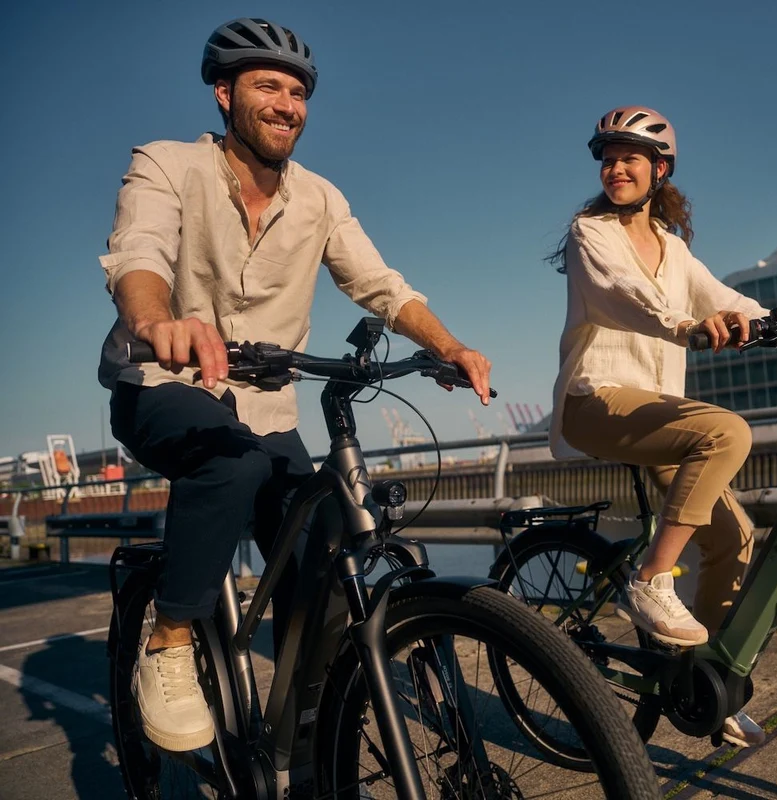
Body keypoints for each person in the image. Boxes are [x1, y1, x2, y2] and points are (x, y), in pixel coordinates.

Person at [97, 18, 491, 752]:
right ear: (224, 94)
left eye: (299, 92)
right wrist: (159, 321)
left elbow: (378, 284)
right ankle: (171, 640)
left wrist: (448, 345)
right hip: (162, 382)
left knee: (321, 559)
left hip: (270, 407)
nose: (288, 103)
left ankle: (302, 741)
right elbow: (138, 254)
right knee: (231, 461)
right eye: (268, 86)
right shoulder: (167, 164)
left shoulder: (320, 198)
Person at [548, 106, 777, 748]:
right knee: (727, 432)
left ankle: (706, 685)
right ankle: (651, 580)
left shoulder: (674, 249)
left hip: (656, 413)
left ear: (661, 169)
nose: (616, 166)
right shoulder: (588, 232)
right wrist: (686, 326)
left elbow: (735, 305)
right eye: (608, 155)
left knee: (735, 537)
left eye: (631, 156)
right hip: (597, 399)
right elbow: (622, 293)